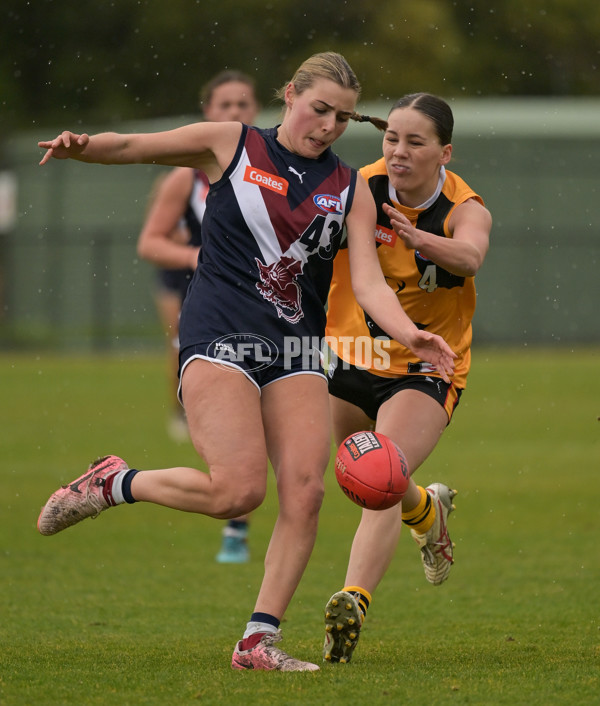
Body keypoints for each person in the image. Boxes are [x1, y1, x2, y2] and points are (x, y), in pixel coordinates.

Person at [36, 54, 456, 672]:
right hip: (219, 340)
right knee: (237, 492)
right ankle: (113, 483)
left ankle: (257, 641)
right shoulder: (231, 144)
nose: (329, 126)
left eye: (342, 118)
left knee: (307, 493)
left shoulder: (349, 189)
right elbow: (136, 146)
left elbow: (367, 283)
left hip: (295, 352)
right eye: (319, 109)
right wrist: (83, 145)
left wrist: (411, 333)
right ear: (289, 95)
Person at [321, 92, 492, 664]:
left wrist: (421, 240)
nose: (398, 151)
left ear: (444, 151)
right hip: (349, 355)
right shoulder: (359, 187)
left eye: (415, 142)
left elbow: (469, 258)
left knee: (381, 473)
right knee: (357, 478)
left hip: (425, 367)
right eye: (391, 137)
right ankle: (427, 511)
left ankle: (352, 601)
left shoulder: (465, 206)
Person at [136, 70, 259, 564]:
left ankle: (237, 524)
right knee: (194, 373)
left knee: (265, 404)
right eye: (225, 105)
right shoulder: (183, 176)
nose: (235, 113)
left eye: (244, 104)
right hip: (198, 292)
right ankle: (183, 418)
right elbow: (150, 242)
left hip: (259, 301)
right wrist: (195, 258)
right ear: (207, 111)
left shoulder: (272, 169)